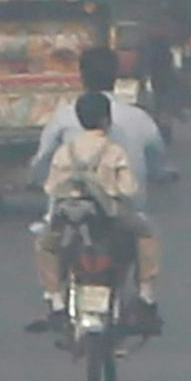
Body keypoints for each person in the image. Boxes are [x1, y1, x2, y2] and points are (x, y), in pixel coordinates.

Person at [27, 89, 162, 335]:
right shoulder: (113, 151)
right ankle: (146, 294)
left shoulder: (65, 151)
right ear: (106, 120)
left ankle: (55, 300)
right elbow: (128, 189)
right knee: (145, 233)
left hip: (68, 214)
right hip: (107, 216)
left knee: (46, 245)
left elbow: (52, 187)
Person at [31, 45, 174, 188]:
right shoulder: (140, 118)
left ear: (81, 76)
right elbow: (156, 160)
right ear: (116, 74)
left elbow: (43, 160)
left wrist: (38, 180)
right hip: (127, 204)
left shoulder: (62, 117)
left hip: (70, 206)